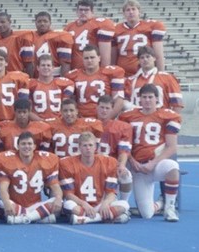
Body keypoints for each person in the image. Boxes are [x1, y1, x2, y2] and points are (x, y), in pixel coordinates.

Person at [119, 85, 181, 221]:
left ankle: (169, 207)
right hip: (137, 167)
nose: (147, 100)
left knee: (172, 167)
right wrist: (132, 161)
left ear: (156, 98)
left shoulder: (167, 116)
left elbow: (171, 147)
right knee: (147, 214)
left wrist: (153, 163)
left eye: (150, 97)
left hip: (155, 164)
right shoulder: (128, 116)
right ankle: (159, 204)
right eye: (144, 97)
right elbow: (123, 143)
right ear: (139, 99)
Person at [58, 132, 129, 224]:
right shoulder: (68, 163)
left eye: (90, 145)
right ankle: (107, 217)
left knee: (125, 204)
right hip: (81, 204)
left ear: (95, 147)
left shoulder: (108, 162)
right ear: (79, 147)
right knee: (68, 205)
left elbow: (111, 192)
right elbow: (68, 195)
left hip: (100, 203)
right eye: (85, 145)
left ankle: (86, 219)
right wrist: (84, 204)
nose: (88, 148)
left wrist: (106, 203)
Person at [0, 131, 61, 225]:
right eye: (23, 144)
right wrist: (7, 202)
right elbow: (3, 188)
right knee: (0, 203)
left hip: (35, 205)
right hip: (15, 205)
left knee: (58, 201)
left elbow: (55, 187)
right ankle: (36, 217)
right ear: (18, 146)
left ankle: (25, 218)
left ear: (34, 146)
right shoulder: (8, 160)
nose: (26, 146)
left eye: (29, 144)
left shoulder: (45, 160)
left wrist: (58, 198)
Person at [66, 44, 125, 119]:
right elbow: (67, 102)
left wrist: (106, 119)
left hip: (103, 117)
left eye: (92, 57)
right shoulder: (73, 75)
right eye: (86, 58)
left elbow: (119, 101)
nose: (89, 60)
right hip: (81, 118)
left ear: (99, 58)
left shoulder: (110, 73)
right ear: (82, 60)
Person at [126, 46, 182, 112]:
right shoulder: (130, 80)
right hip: (137, 119)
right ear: (138, 60)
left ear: (154, 58)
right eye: (142, 57)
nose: (145, 59)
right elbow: (124, 103)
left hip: (161, 118)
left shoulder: (168, 78)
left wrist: (170, 120)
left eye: (148, 56)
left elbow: (177, 104)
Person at [64, 0, 115, 69]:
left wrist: (104, 71)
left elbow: (105, 56)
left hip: (93, 70)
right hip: (75, 70)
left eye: (86, 10)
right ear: (76, 11)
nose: (83, 12)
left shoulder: (99, 24)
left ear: (92, 12)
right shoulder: (69, 27)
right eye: (81, 10)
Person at [27, 53, 74, 121]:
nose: (46, 67)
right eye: (43, 65)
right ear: (38, 68)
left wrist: (65, 98)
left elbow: (71, 84)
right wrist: (41, 121)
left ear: (53, 68)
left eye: (48, 65)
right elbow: (27, 110)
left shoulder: (61, 83)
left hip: (58, 122)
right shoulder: (31, 84)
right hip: (39, 123)